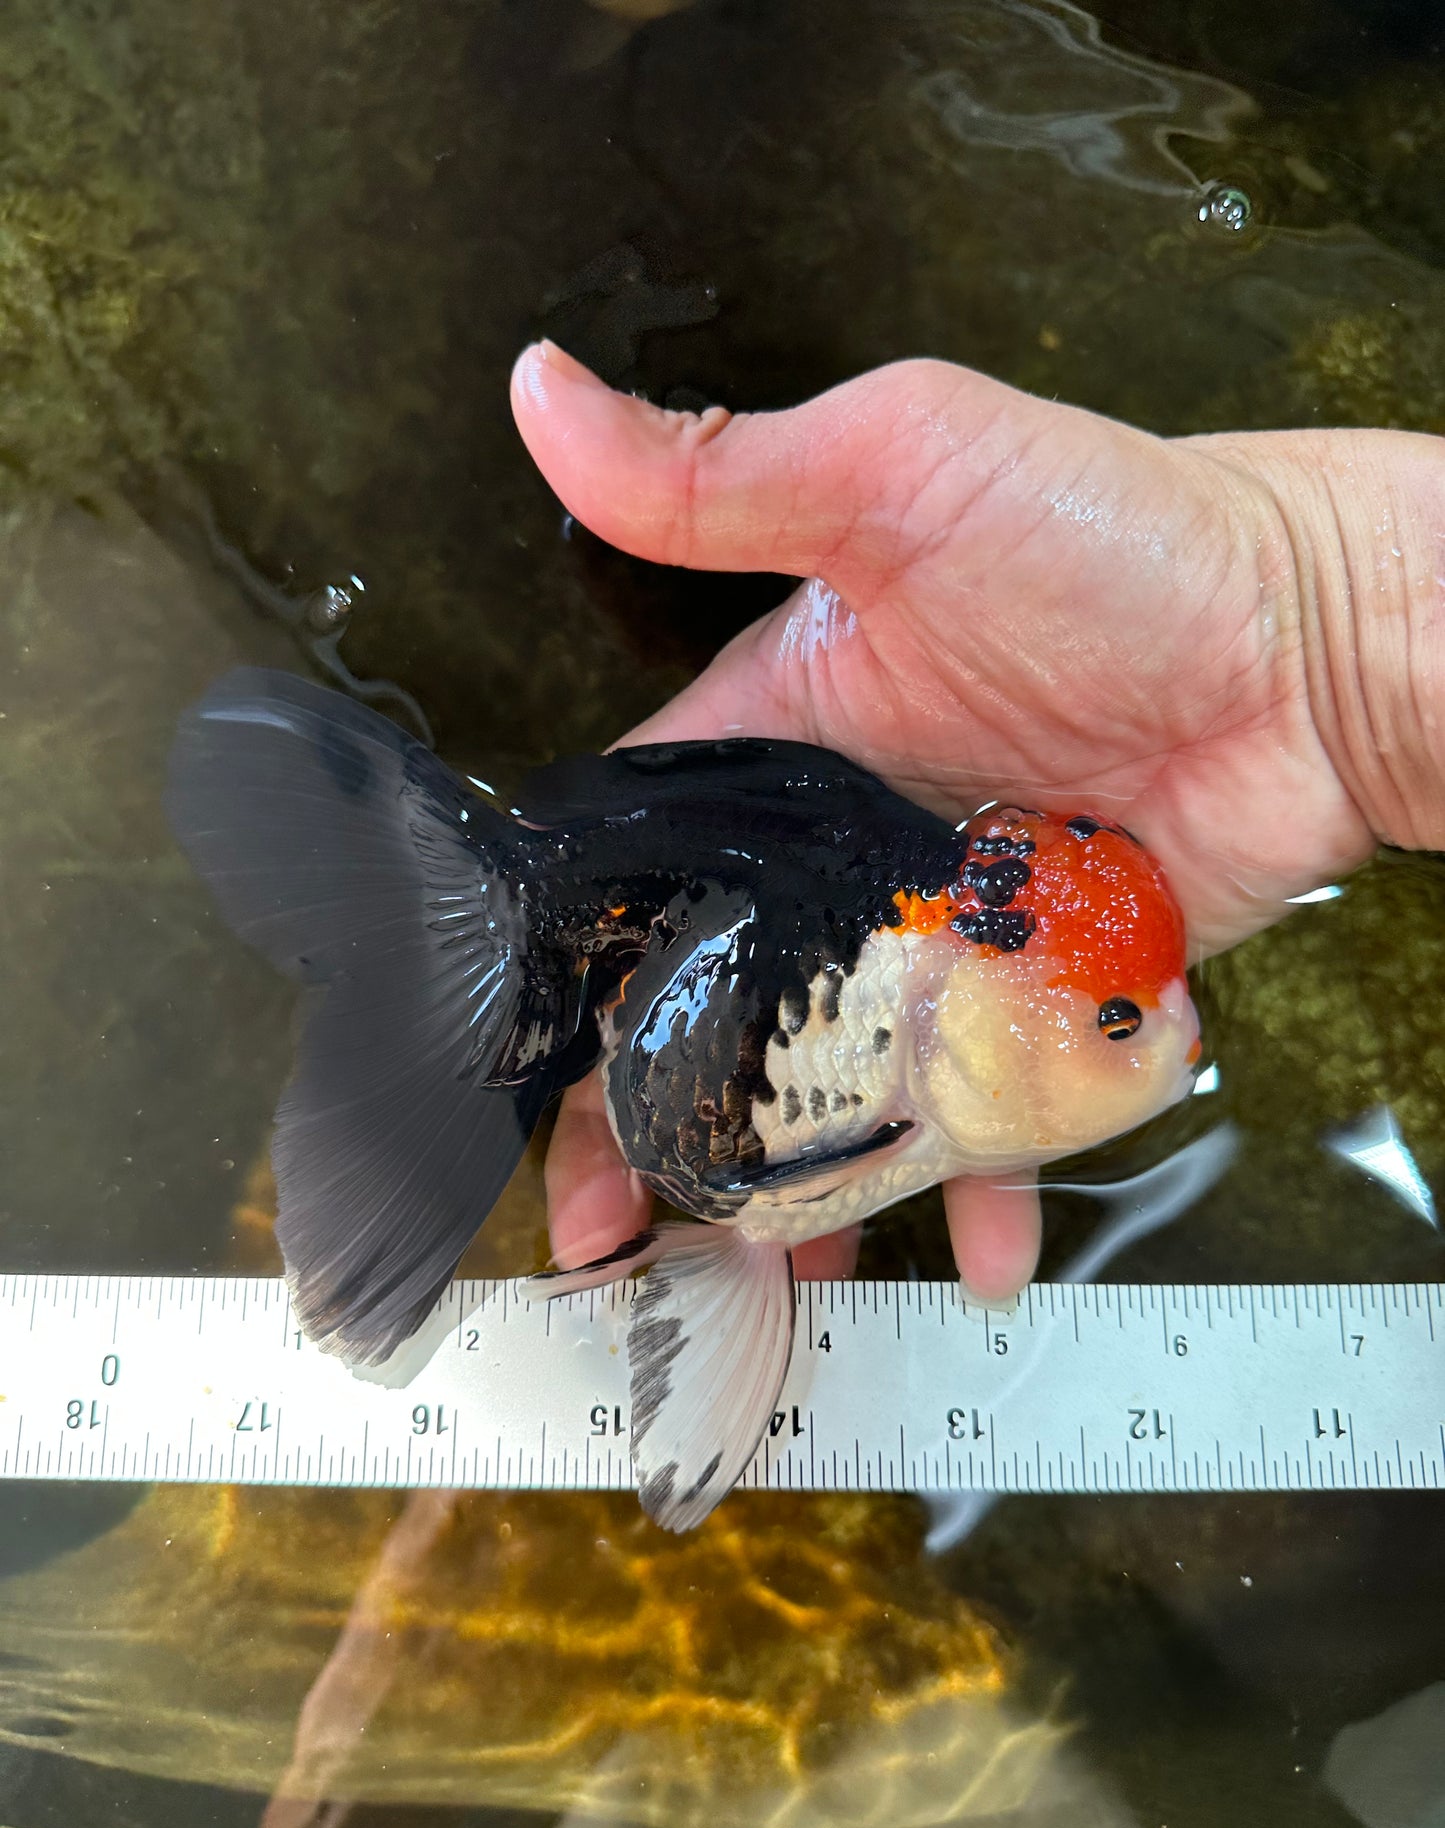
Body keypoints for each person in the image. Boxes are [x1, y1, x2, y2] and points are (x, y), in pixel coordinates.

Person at [510, 343, 1445, 1298]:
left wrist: (1321, 632)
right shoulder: (911, 952)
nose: (1185, 1042)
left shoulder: (939, 959)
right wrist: (1321, 632)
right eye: (1115, 1022)